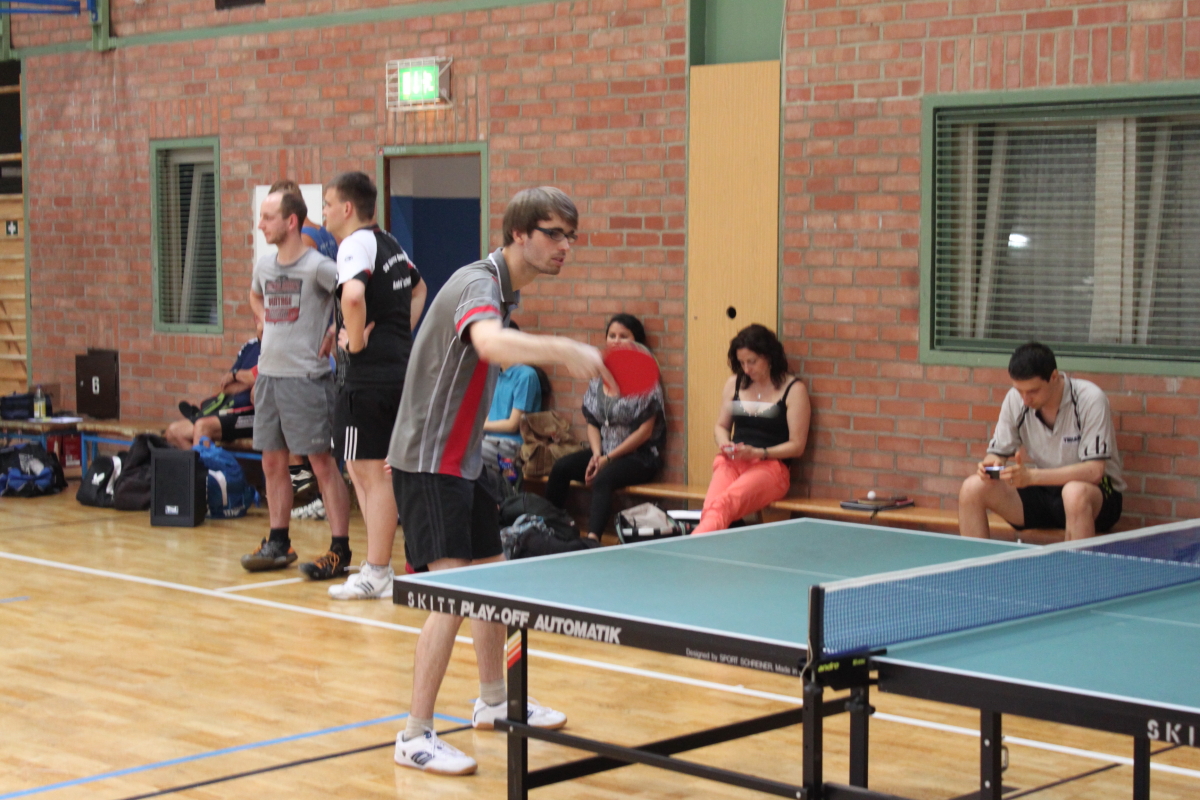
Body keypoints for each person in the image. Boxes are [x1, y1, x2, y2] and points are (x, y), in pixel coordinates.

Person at [388, 187, 612, 776]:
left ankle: (494, 700)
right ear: (518, 233)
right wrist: (561, 349)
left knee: (490, 583)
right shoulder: (479, 284)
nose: (565, 246)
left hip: (465, 461)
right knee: (453, 595)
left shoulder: (504, 291)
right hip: (430, 462)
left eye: (570, 236)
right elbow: (488, 343)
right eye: (553, 233)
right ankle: (415, 735)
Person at [319, 171, 426, 597]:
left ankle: (379, 571)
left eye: (327, 204)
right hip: (393, 372)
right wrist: (398, 336)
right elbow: (419, 290)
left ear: (347, 208)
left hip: (366, 378)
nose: (323, 212)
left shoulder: (354, 244)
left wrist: (359, 343)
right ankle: (375, 565)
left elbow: (352, 297)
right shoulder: (390, 244)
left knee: (370, 471)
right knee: (359, 467)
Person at [241, 189, 351, 573]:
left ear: (291, 221)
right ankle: (278, 541)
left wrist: (336, 329)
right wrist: (261, 318)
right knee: (273, 461)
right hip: (270, 376)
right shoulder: (264, 266)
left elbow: (354, 295)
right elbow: (255, 295)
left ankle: (340, 548)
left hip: (306, 379)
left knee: (321, 463)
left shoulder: (319, 266)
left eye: (268, 217)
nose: (260, 225)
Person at [958, 341, 1124, 540]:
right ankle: (977, 561)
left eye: (1033, 391)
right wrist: (991, 467)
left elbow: (1094, 471)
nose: (1025, 399)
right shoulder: (1016, 399)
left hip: (1096, 495)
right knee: (972, 488)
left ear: (1054, 377)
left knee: (1074, 493)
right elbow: (997, 453)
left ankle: (1076, 562)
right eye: (1019, 391)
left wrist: (1031, 477)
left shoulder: (1090, 399)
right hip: (1044, 492)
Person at [545, 314, 666, 541]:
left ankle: (592, 539)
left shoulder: (646, 377)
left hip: (639, 456)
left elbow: (645, 432)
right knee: (561, 467)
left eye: (624, 336)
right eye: (612, 335)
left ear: (637, 342)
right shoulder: (599, 377)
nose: (616, 341)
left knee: (603, 478)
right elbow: (592, 422)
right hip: (604, 451)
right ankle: (548, 527)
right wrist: (597, 454)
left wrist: (608, 459)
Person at [692, 324, 810, 535]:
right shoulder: (734, 383)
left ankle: (689, 547)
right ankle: (704, 548)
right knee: (712, 508)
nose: (746, 369)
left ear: (769, 357)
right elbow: (721, 426)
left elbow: (797, 446)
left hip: (771, 466)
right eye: (741, 363)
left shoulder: (793, 389)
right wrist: (725, 443)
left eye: (752, 362)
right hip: (733, 461)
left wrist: (759, 452)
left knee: (723, 505)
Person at [165, 322, 261, 450]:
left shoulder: (276, 349)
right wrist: (246, 379)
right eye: (258, 317)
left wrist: (241, 377)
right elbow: (226, 387)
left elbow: (262, 384)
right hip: (228, 410)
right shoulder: (250, 346)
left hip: (253, 417)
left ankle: (208, 462)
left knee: (202, 427)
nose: (260, 323)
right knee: (173, 432)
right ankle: (207, 462)